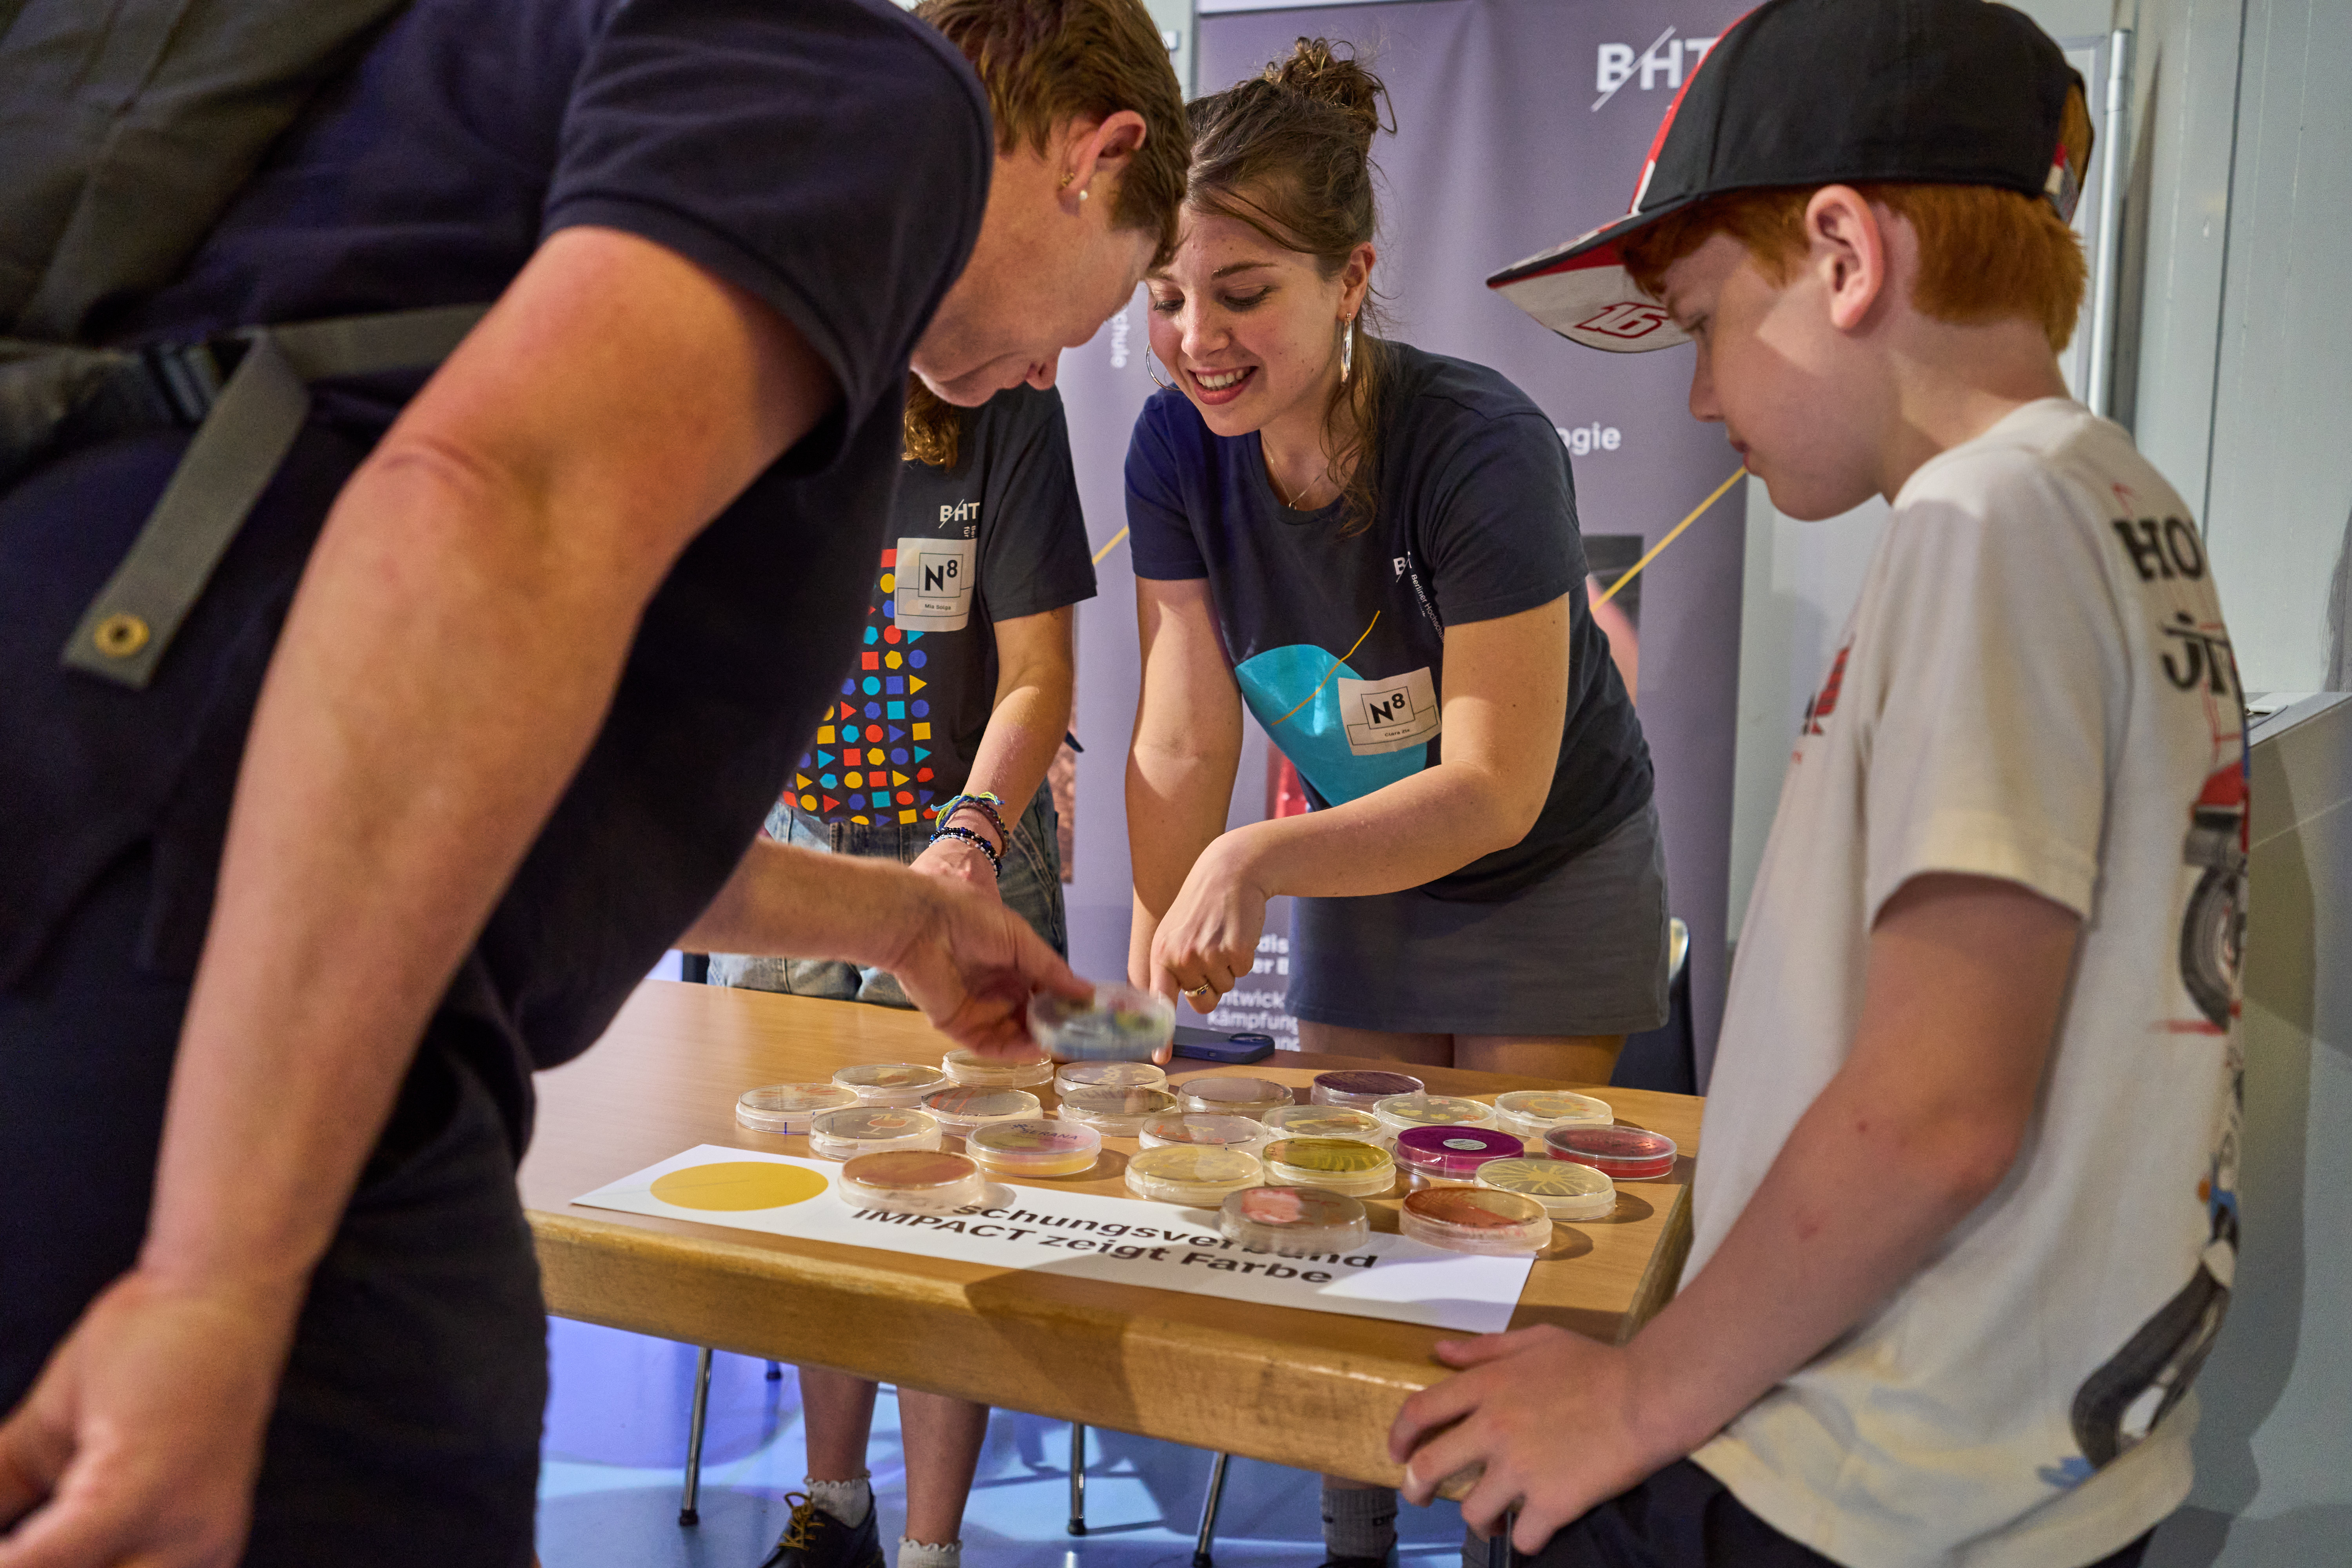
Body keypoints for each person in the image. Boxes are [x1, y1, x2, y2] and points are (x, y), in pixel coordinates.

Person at [0, 1, 1187, 1565]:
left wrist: (892, 915)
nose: (1049, 373)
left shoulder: (463, 106)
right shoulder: (877, 99)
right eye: (1115, 300)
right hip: (208, 1004)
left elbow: (472, 749)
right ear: (1103, 161)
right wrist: (219, 1280)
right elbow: (486, 517)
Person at [1392, 3, 2242, 1566]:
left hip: (1866, 1482)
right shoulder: (2118, 501)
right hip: (2017, 1455)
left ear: (1847, 256)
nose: (1704, 397)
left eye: (1710, 319)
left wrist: (1639, 1396)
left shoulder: (1985, 523)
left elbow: (1938, 1113)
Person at [1122, 41, 1664, 1567]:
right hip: (1364, 859)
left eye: (1242, 294)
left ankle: (1515, 1546)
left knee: (1500, 1249)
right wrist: (1162, 940)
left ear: (1351, 275)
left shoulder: (1477, 441)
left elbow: (1494, 786)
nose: (1193, 338)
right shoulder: (1176, 446)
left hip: (1545, 862)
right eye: (1166, 294)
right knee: (1345, 1224)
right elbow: (1177, 728)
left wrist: (1256, 855)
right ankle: (1357, 1544)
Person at [710, 379, 1094, 1568]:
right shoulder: (762, 382)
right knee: (809, 1197)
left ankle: (933, 1548)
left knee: (951, 1205)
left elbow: (1039, 670)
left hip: (968, 849)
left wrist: (972, 832)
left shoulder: (1010, 404)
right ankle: (835, 1508)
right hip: (799, 859)